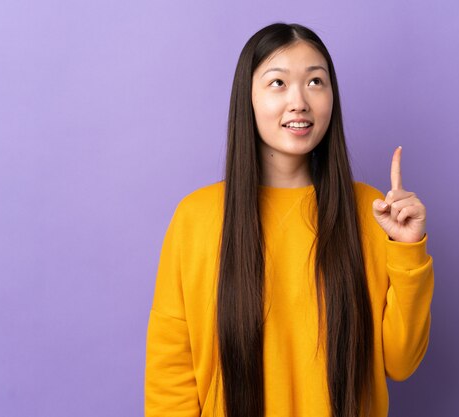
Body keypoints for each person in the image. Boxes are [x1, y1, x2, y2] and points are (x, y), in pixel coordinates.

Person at [145, 22, 434, 417]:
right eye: (277, 83)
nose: (299, 101)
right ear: (247, 98)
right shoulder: (196, 218)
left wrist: (408, 251)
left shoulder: (371, 212)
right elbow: (170, 378)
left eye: (316, 82)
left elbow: (400, 362)